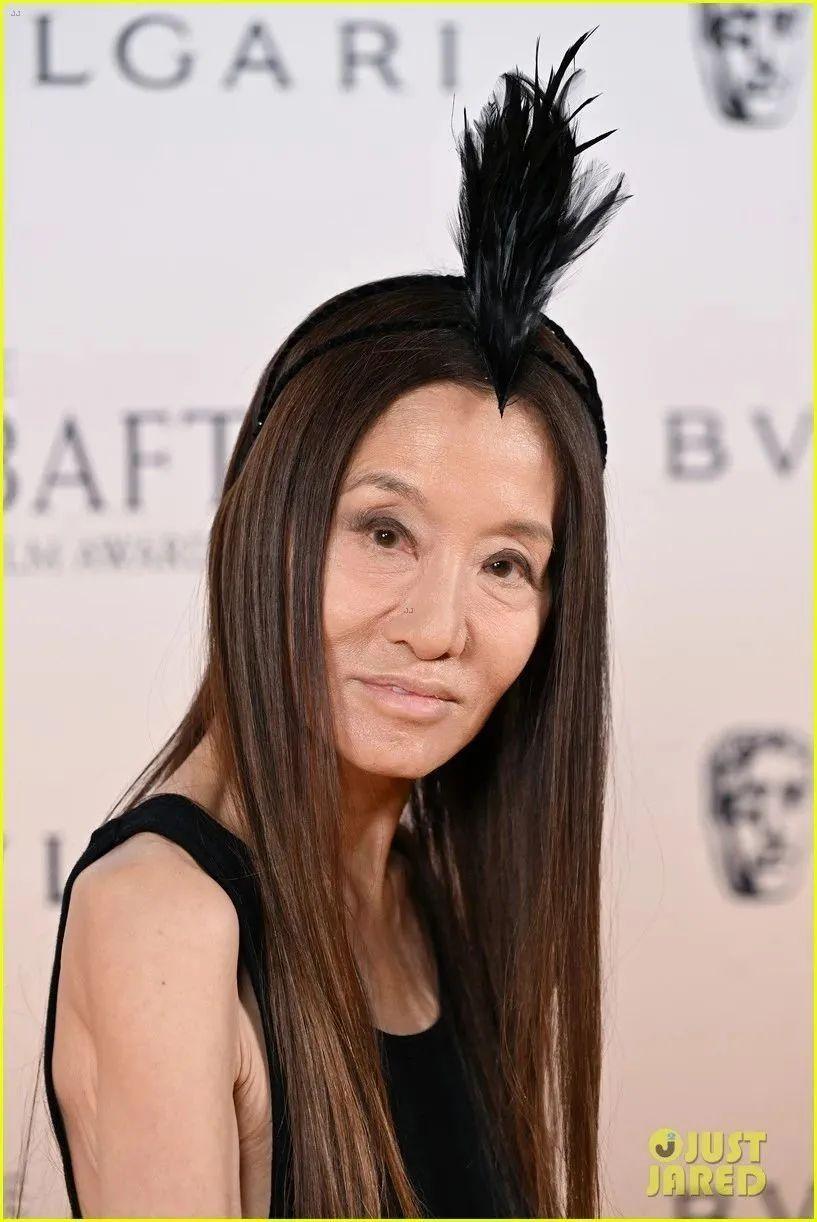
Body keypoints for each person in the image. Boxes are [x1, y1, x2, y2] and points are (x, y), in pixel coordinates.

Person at [20, 27, 629, 1219]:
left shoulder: (431, 888)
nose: (439, 628)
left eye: (506, 562)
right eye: (385, 532)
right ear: (270, 528)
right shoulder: (166, 918)